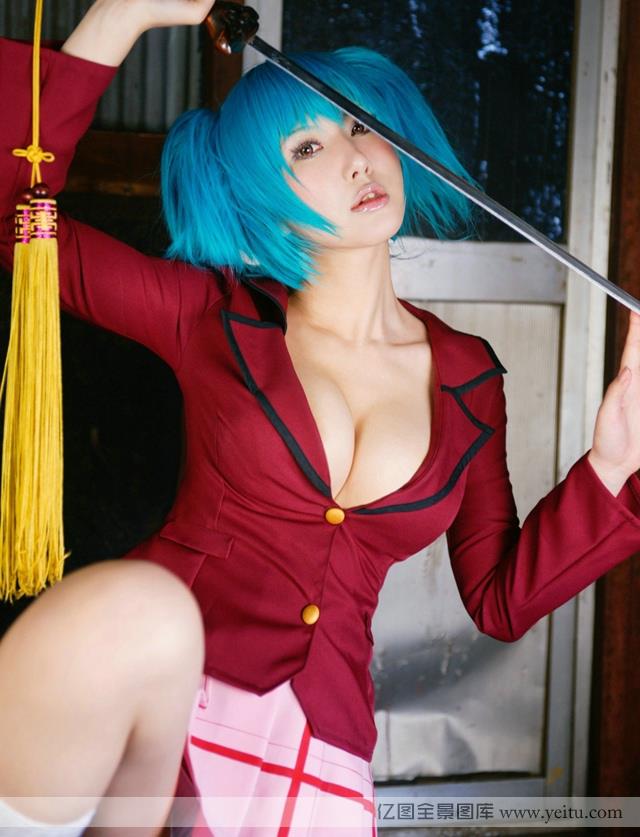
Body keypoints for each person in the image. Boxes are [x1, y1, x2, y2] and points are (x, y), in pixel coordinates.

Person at [1, 0, 640, 834]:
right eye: (307, 148)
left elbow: (500, 599)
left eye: (361, 126)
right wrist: (121, 18)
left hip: (325, 753)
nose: (356, 158)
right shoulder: (210, 314)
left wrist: (613, 462)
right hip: (158, 695)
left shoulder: (469, 375)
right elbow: (14, 218)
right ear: (260, 193)